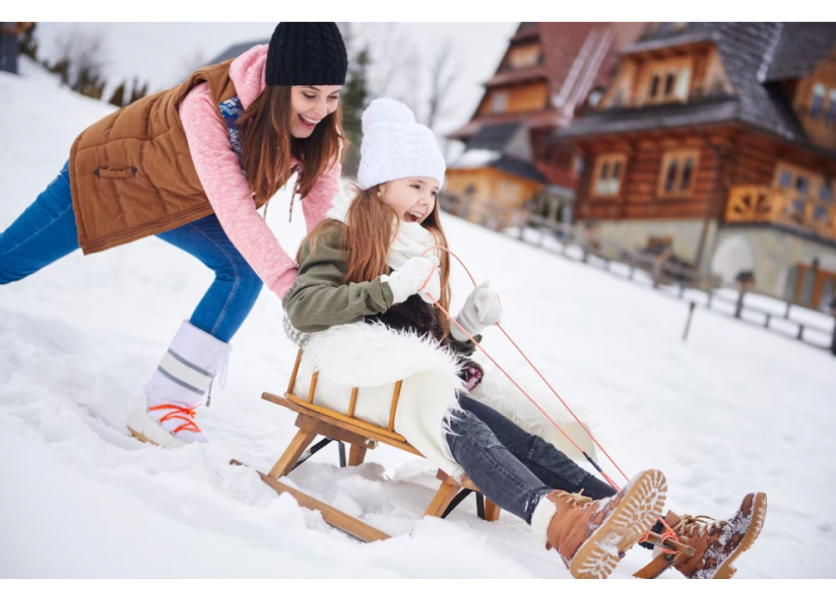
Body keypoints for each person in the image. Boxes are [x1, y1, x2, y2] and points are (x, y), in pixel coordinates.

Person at [281, 97, 768, 579]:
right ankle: (561, 525)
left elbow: (429, 353)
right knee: (466, 427)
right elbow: (302, 309)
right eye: (416, 185)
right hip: (363, 385)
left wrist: (465, 330)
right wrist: (391, 287)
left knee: (533, 445)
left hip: (415, 389)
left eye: (434, 190)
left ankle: (678, 538)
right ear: (380, 183)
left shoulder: (420, 249)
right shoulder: (338, 235)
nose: (427, 202)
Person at [0, 23, 348, 448]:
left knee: (241, 273)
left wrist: (334, 282)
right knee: (9, 262)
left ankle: (164, 406)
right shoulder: (208, 104)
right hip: (109, 178)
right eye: (309, 94)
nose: (321, 109)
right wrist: (292, 289)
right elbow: (235, 209)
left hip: (185, 200)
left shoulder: (323, 133)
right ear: (277, 85)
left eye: (332, 96)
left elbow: (323, 216)